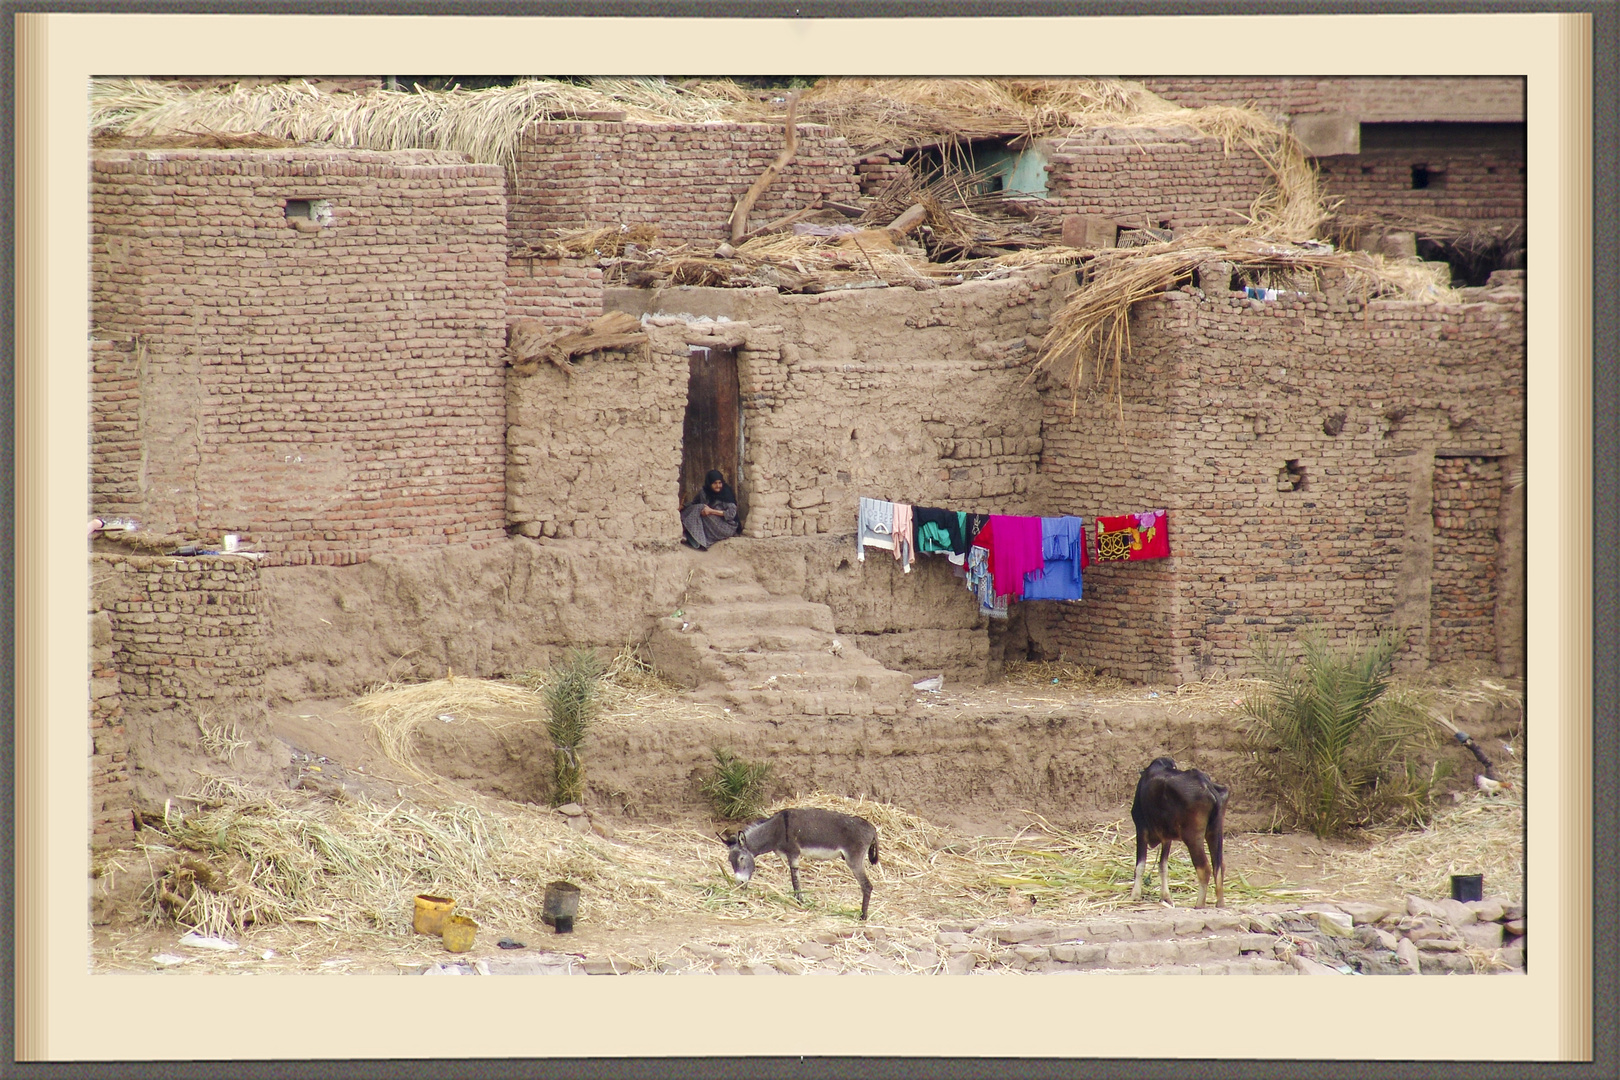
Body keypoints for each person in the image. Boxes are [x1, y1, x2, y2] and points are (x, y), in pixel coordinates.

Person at [681, 470, 739, 550]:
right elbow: (694, 503)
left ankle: (685, 533)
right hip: (712, 522)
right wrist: (682, 506)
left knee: (701, 507)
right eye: (715, 483)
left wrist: (711, 511)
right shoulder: (704, 492)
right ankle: (686, 533)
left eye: (720, 483)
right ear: (709, 483)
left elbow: (731, 514)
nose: (718, 486)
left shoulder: (725, 493)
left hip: (726, 526)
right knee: (694, 508)